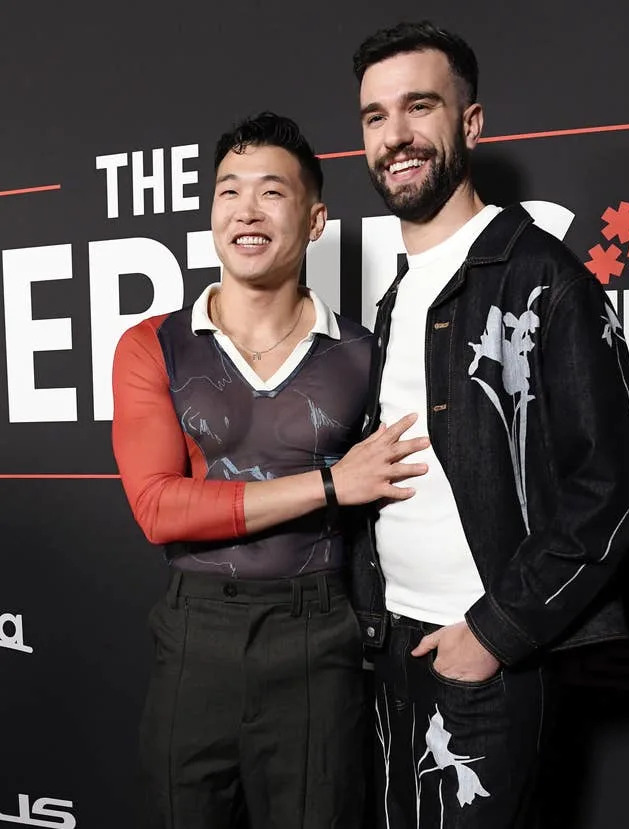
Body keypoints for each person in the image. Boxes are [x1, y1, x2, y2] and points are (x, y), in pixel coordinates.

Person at [350, 21, 629, 828]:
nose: (397, 136)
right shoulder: (395, 295)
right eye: (376, 117)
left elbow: (611, 486)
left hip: (481, 654)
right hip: (392, 645)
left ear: (471, 124)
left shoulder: (543, 276)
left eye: (420, 107)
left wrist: (497, 630)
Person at [111, 111, 428, 829]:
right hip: (196, 633)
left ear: (316, 220)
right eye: (229, 192)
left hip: (321, 635)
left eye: (271, 193)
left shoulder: (365, 353)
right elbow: (159, 507)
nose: (246, 212)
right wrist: (328, 485)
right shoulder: (152, 345)